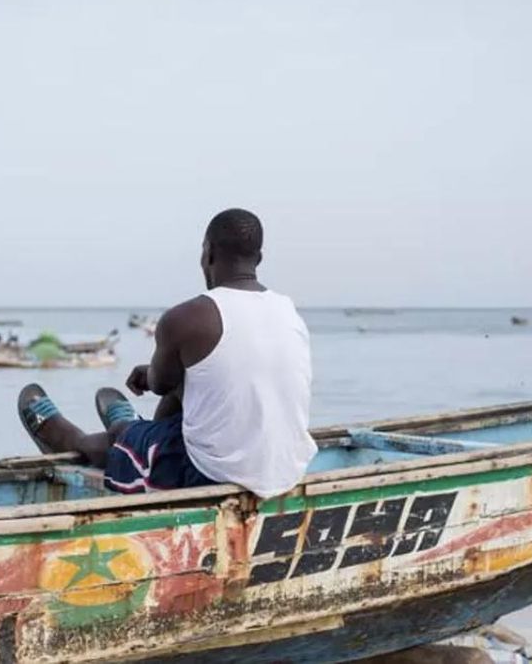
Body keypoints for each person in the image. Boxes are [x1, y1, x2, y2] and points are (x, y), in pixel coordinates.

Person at [16, 208, 316, 499]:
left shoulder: (186, 317)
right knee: (188, 378)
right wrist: (154, 374)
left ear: (208, 253)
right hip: (286, 468)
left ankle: (79, 439)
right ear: (259, 259)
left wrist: (150, 376)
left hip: (210, 472)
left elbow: (160, 385)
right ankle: (146, 432)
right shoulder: (288, 311)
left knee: (125, 434)